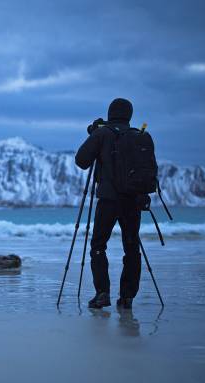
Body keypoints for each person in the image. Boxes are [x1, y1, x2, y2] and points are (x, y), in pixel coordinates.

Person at [75, 98, 147, 310]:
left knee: (98, 246)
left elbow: (81, 161)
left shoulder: (102, 133)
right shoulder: (139, 136)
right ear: (129, 115)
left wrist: (94, 135)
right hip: (133, 201)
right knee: (132, 248)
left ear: (110, 113)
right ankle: (127, 298)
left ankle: (102, 293)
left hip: (108, 199)